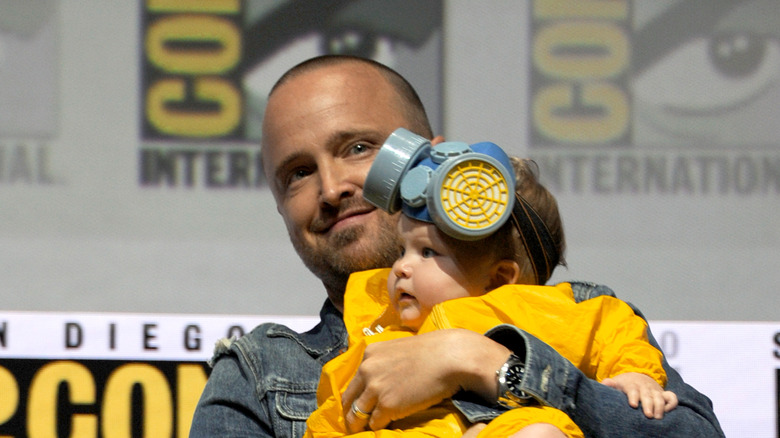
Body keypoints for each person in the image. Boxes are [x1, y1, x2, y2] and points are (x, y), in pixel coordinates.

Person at [189, 55, 725, 438]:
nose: (332, 188)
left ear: (433, 165)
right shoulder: (261, 371)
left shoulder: (581, 313)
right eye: (298, 173)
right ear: (280, 205)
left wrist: (478, 359)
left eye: (357, 147)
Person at [304, 143, 678, 438]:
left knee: (540, 433)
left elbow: (610, 328)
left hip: (509, 428)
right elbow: (337, 409)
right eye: (404, 250)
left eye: (429, 253)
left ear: (499, 279)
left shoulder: (538, 309)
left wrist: (636, 374)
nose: (401, 266)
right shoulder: (380, 326)